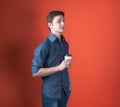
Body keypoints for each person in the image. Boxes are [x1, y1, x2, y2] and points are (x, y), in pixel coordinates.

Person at [31, 10, 72, 107]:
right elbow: (35, 72)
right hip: (51, 94)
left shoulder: (65, 44)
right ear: (50, 25)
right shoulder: (44, 46)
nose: (63, 23)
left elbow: (64, 66)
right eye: (59, 21)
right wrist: (58, 67)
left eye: (63, 21)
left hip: (65, 91)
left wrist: (69, 82)